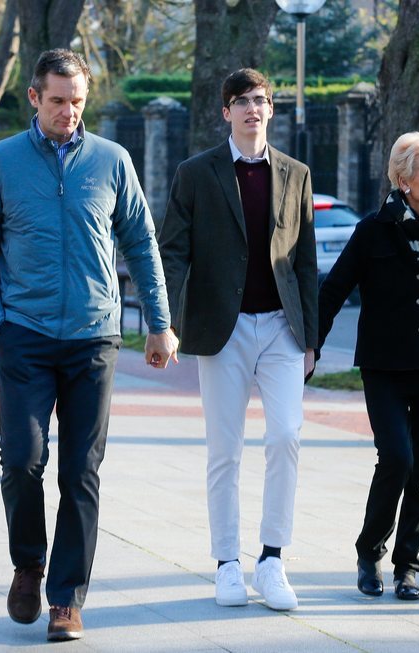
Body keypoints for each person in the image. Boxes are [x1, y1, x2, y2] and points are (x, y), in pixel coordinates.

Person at [0, 49, 179, 641]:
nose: (68, 112)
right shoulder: (1, 162)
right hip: (24, 334)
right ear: (34, 98)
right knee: (21, 463)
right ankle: (28, 563)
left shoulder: (112, 160)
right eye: (57, 100)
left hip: (93, 339)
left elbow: (142, 243)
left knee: (82, 471)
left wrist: (159, 322)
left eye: (77, 101)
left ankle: (67, 598)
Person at [158, 68, 317, 612]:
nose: (253, 108)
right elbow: (172, 251)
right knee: (225, 449)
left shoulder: (296, 173)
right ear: (225, 111)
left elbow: (306, 260)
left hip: (281, 327)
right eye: (242, 101)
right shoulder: (195, 173)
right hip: (221, 330)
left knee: (286, 437)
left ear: (271, 110)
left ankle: (271, 559)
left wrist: (311, 337)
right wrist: (170, 321)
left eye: (262, 100)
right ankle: (227, 562)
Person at [317, 132, 419, 601]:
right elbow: (334, 290)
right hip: (385, 368)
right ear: (404, 179)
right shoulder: (372, 229)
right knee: (397, 459)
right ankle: (369, 552)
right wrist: (311, 346)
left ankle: (407, 566)